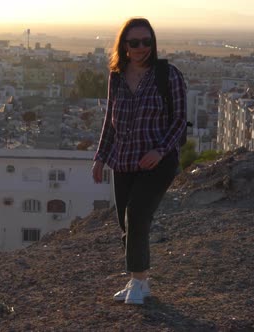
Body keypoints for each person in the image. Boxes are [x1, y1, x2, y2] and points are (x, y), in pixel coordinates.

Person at [92, 17, 187, 305]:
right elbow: (111, 121)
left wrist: (159, 151)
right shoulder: (117, 76)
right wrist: (100, 158)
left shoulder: (167, 75)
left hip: (157, 162)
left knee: (137, 215)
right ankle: (137, 279)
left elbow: (181, 121)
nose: (141, 47)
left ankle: (139, 281)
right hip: (123, 161)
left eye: (147, 41)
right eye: (134, 42)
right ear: (124, 45)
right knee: (126, 222)